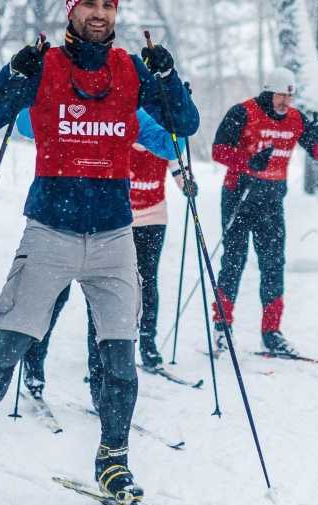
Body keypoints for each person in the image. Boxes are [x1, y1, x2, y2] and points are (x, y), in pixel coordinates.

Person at [0, 0, 198, 505]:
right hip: (51, 228)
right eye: (89, 3)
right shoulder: (45, 66)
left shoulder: (130, 69)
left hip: (114, 236)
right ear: (71, 9)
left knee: (120, 356)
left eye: (109, 4)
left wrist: (166, 77)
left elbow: (183, 126)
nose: (100, 13)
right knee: (9, 345)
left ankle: (113, 462)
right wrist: (12, 72)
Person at [18, 107, 194, 401]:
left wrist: (178, 106)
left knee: (125, 295)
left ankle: (109, 378)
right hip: (96, 220)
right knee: (56, 294)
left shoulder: (148, 124)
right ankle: (34, 363)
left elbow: (175, 153)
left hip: (141, 221)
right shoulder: (111, 121)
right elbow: (30, 125)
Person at [208, 67, 318, 357]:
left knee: (274, 265)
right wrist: (249, 160)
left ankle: (271, 332)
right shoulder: (243, 112)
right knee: (234, 262)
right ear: (268, 92)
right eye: (281, 96)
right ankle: (222, 328)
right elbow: (219, 150)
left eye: (290, 97)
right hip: (239, 197)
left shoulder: (295, 119)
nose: (286, 103)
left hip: (272, 203)